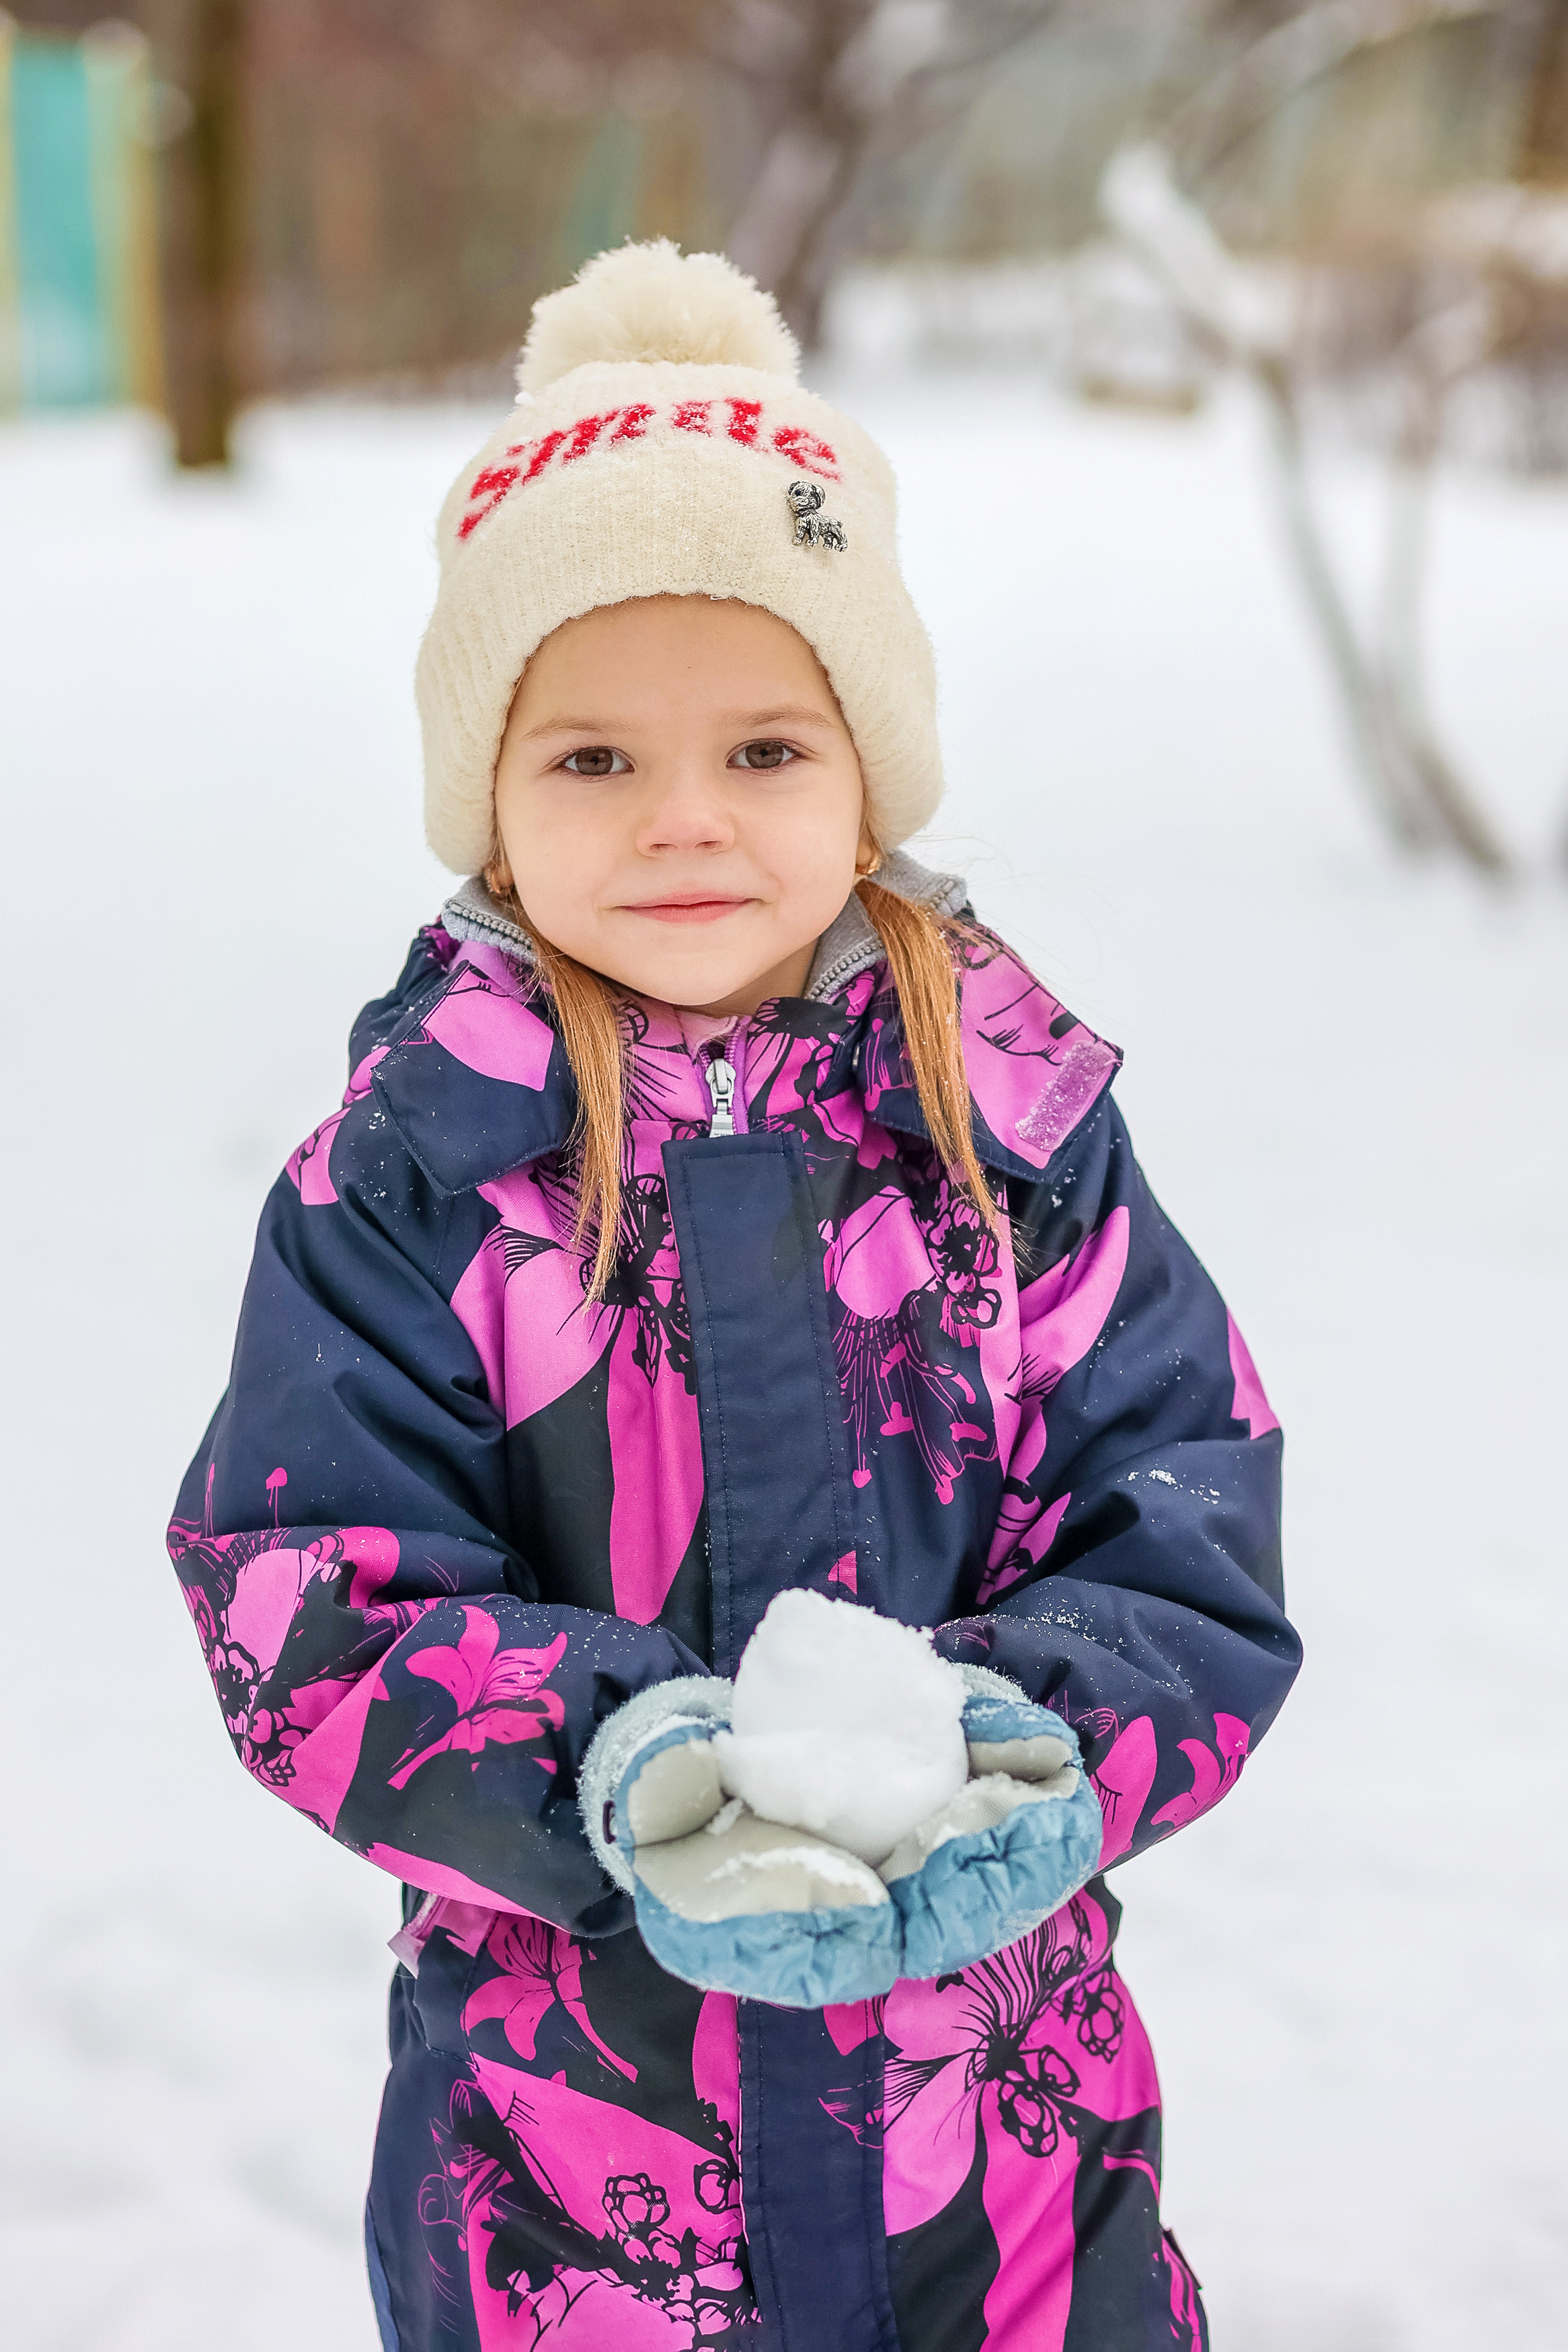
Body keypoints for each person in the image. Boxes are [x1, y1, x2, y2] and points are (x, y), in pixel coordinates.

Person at [168, 241, 1301, 2352]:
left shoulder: (1011, 1136)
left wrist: (1007, 1746)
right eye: (593, 759)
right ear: (490, 805)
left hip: (1005, 2172)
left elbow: (1186, 1512)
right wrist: (635, 1765)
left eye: (766, 747)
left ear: (867, 776)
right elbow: (305, 1597)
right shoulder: (413, 1183)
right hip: (572, 2184)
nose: (684, 818)